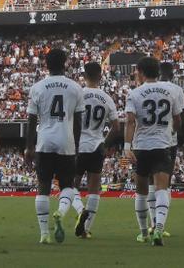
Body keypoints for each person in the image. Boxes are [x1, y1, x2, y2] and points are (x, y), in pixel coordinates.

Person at [24, 48, 84, 245]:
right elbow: (77, 122)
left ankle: (44, 234)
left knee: (43, 187)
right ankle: (61, 212)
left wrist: (29, 147)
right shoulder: (75, 87)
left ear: (46, 65)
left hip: (44, 141)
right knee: (67, 185)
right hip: (66, 141)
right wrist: (74, 145)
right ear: (65, 63)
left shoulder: (38, 87)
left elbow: (31, 120)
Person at [124, 56, 184, 247]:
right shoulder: (171, 91)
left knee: (141, 192)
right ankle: (159, 228)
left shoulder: (134, 93)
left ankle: (143, 232)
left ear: (141, 72)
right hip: (163, 145)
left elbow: (130, 121)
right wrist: (169, 132)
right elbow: (178, 120)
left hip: (142, 146)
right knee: (161, 189)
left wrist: (127, 146)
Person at [72, 61, 119, 239]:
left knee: (70, 185)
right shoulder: (106, 98)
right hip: (96, 146)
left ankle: (79, 209)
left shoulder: (78, 95)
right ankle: (85, 230)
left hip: (78, 146)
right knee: (94, 190)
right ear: (100, 76)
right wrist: (105, 145)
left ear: (84, 76)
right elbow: (116, 128)